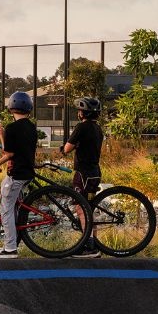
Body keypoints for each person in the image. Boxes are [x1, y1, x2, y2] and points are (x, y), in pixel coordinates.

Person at [0, 91, 38, 259]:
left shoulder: (12, 128)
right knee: (13, 207)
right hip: (27, 173)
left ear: (11, 108)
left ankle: (10, 248)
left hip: (16, 174)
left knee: (5, 209)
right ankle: (13, 242)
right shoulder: (31, 127)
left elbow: (8, 153)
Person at [60, 96, 104, 258]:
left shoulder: (81, 127)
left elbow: (67, 148)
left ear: (82, 113)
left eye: (79, 110)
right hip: (95, 172)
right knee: (89, 208)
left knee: (80, 208)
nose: (78, 113)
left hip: (83, 173)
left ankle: (88, 246)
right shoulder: (98, 128)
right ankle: (93, 244)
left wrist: (64, 149)